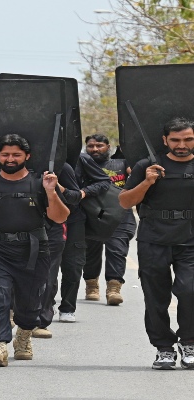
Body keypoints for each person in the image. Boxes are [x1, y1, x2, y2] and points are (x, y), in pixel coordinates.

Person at [0, 134, 69, 367]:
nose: (10, 159)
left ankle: (24, 335)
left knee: (30, 304)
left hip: (33, 251)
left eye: (16, 154)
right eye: (5, 154)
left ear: (27, 156)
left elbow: (60, 217)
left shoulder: (41, 183)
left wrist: (51, 192)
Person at [119, 117, 194, 370]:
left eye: (188, 139)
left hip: (190, 241)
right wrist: (147, 181)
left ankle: (189, 342)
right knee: (155, 297)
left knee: (190, 290)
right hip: (154, 239)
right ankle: (164, 348)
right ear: (165, 141)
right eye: (175, 140)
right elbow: (125, 202)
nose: (181, 144)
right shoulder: (147, 166)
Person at [82, 134, 136, 305]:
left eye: (99, 145)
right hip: (92, 216)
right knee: (90, 253)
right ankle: (91, 285)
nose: (95, 149)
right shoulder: (81, 165)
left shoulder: (121, 163)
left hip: (120, 215)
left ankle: (113, 289)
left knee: (117, 250)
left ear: (108, 146)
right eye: (91, 146)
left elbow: (135, 176)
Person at [33, 162, 81, 338]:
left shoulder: (61, 167)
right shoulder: (7, 164)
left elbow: (75, 196)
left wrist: (56, 188)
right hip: (16, 227)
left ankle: (40, 321)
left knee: (48, 276)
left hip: (52, 228)